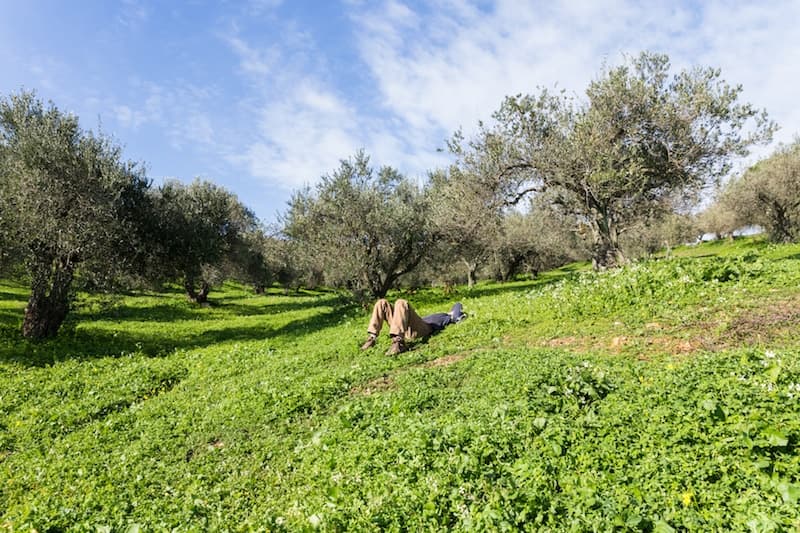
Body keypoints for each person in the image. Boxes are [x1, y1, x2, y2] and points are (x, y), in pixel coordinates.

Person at [360, 298, 467, 355]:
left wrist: (455, 311)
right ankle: (372, 337)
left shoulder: (446, 317)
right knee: (381, 303)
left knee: (401, 303)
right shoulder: (438, 316)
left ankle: (399, 342)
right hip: (406, 325)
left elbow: (457, 307)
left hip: (421, 328)